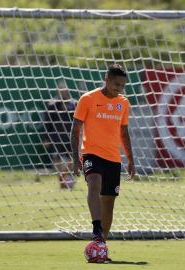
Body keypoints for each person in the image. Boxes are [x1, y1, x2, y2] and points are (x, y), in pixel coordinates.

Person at [70, 64, 136, 255]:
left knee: (109, 202)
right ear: (106, 79)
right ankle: (96, 229)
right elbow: (75, 130)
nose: (119, 89)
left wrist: (131, 160)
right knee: (94, 185)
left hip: (113, 158)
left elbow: (124, 133)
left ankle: (101, 245)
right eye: (116, 84)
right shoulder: (88, 99)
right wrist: (76, 159)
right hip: (91, 153)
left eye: (122, 86)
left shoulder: (123, 103)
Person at [43, 80, 76, 189]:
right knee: (57, 159)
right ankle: (63, 179)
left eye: (65, 90)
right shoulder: (52, 104)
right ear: (58, 91)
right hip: (56, 138)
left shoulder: (73, 104)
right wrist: (46, 138)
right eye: (61, 90)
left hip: (70, 137)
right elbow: (47, 122)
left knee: (74, 159)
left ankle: (64, 177)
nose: (63, 92)